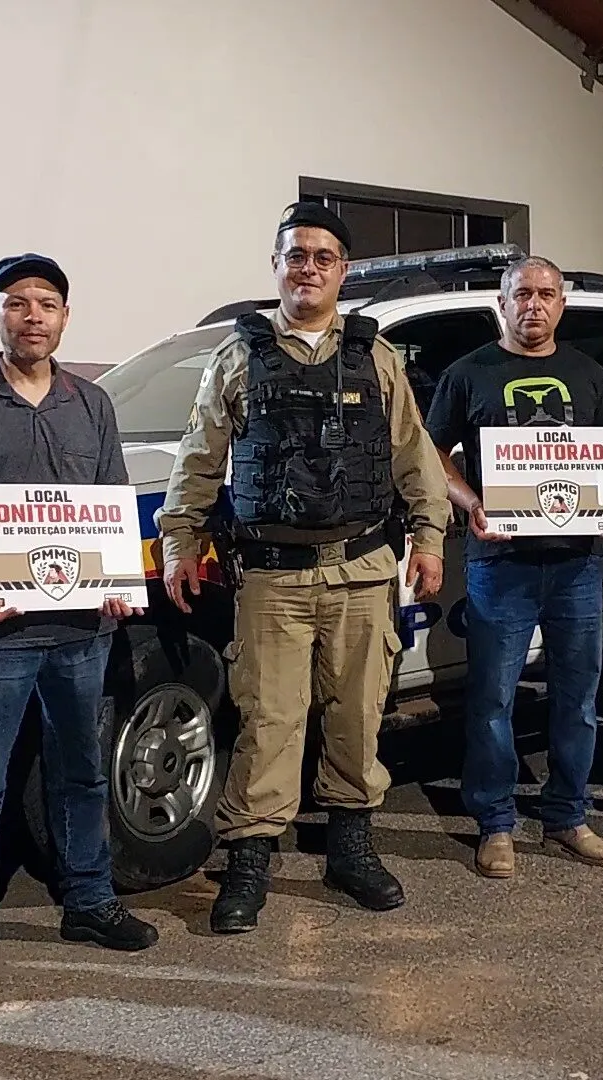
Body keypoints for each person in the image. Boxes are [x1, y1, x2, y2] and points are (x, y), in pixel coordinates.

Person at [157, 202, 450, 934]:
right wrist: (180, 539)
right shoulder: (238, 357)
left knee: (358, 715)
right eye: (296, 255)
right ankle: (249, 860)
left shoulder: (377, 357)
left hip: (362, 569)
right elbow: (199, 459)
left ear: (342, 270)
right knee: (269, 720)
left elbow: (414, 454)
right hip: (272, 578)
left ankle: (350, 850)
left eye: (323, 257)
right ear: (277, 266)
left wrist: (430, 537)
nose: (308, 269)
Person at [0, 253, 157, 1011]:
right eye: (17, 303)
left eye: (47, 303)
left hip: (81, 630)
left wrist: (120, 584)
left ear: (65, 317)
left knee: (82, 773)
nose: (33, 316)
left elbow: (110, 506)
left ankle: (89, 900)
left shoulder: (91, 403)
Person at [426, 255, 603, 879]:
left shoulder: (590, 375)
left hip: (576, 565)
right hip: (501, 564)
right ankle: (495, 824)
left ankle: (567, 815)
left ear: (562, 304)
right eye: (522, 294)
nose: (534, 305)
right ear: (503, 302)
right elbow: (432, 453)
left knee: (578, 697)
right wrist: (471, 502)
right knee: (492, 698)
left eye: (546, 294)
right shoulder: (469, 373)